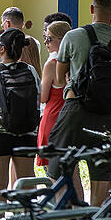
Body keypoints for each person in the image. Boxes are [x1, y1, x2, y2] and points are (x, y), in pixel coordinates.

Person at [48, 0, 111, 206]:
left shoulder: (73, 36)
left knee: (58, 165)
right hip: (108, 115)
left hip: (75, 111)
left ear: (92, 9)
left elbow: (59, 79)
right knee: (101, 174)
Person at [0, 28, 40, 199]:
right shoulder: (31, 71)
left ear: (2, 49)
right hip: (27, 132)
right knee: (26, 183)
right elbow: (37, 101)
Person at [37, 21, 71, 170]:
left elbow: (43, 97)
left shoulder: (52, 64)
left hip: (53, 117)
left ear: (62, 39)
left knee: (52, 173)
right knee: (71, 170)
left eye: (49, 38)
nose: (46, 42)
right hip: (71, 116)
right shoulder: (77, 60)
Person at [0, 7, 42, 76]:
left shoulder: (5, 44)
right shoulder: (35, 42)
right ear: (23, 24)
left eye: (2, 26)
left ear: (7, 23)